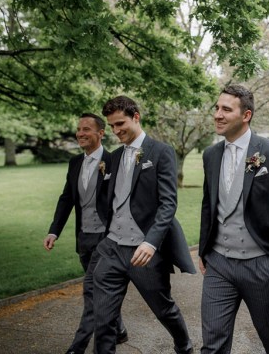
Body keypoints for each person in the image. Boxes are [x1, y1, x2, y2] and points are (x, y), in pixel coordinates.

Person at [199, 84, 269, 353]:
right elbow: (208, 205)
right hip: (218, 264)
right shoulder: (211, 155)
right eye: (216, 108)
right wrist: (204, 250)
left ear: (246, 115)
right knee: (212, 345)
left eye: (226, 109)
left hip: (260, 265)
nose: (218, 114)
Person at [92, 96, 195, 354]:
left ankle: (183, 343)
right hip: (112, 248)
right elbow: (107, 200)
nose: (115, 131)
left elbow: (168, 204)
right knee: (103, 317)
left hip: (143, 251)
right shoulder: (113, 157)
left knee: (163, 308)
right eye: (112, 126)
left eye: (120, 124)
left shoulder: (161, 152)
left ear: (136, 116)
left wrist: (150, 241)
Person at [43, 113, 127, 354]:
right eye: (79, 129)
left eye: (87, 129)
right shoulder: (74, 163)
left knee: (92, 291)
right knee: (102, 292)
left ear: (101, 133)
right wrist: (54, 231)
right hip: (84, 238)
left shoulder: (113, 161)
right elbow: (67, 198)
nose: (80, 133)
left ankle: (77, 347)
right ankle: (119, 330)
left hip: (106, 239)